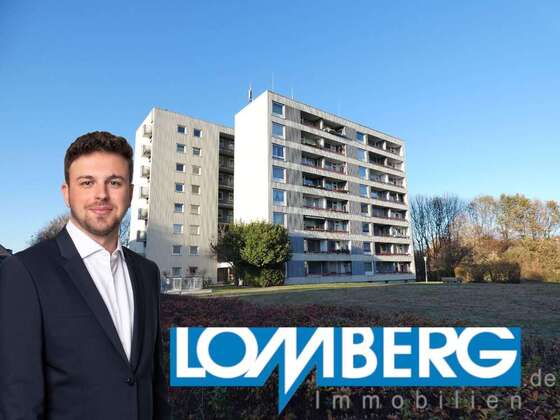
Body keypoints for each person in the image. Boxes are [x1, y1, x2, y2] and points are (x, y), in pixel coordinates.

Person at [0, 131, 172, 419]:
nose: (101, 194)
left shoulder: (147, 273)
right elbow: (18, 400)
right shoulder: (25, 271)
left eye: (114, 182)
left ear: (130, 193)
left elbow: (153, 382)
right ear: (66, 193)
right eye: (87, 182)